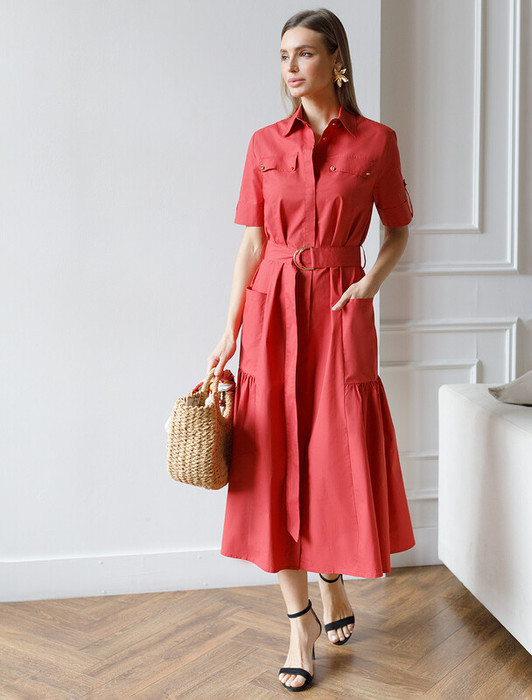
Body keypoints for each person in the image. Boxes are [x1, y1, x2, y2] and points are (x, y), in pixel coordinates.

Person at [206, 7, 415, 692]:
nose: (290, 68)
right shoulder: (264, 143)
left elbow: (398, 232)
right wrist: (229, 330)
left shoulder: (377, 143)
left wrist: (369, 286)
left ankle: (334, 580)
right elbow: (252, 244)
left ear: (336, 61)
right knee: (273, 458)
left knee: (330, 455)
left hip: (339, 307)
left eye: (304, 54)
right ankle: (300, 622)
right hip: (272, 310)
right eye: (283, 56)